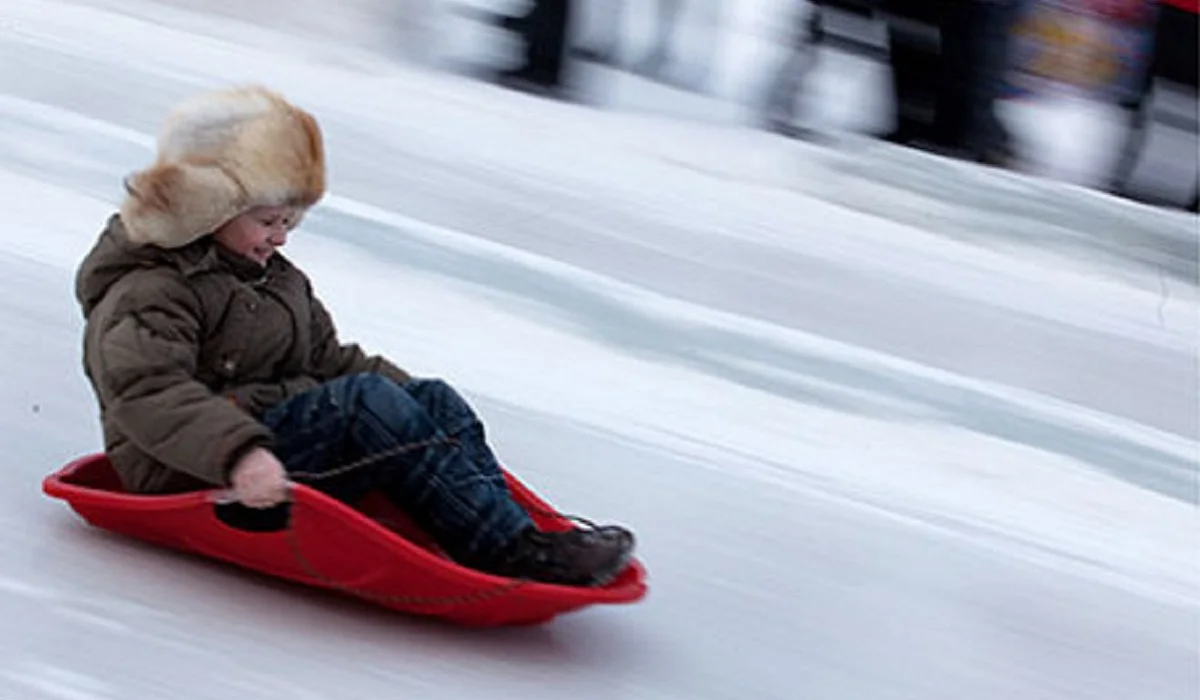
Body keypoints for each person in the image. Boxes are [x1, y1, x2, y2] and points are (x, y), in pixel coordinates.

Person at [74, 84, 636, 587]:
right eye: (268, 221)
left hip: (263, 434)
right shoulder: (150, 290)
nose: (281, 239)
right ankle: (510, 551)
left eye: (290, 224)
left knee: (429, 394)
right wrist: (240, 456)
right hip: (190, 466)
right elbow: (148, 393)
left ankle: (510, 526)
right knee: (364, 405)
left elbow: (329, 359)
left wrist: (419, 411)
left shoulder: (277, 282)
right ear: (209, 205)